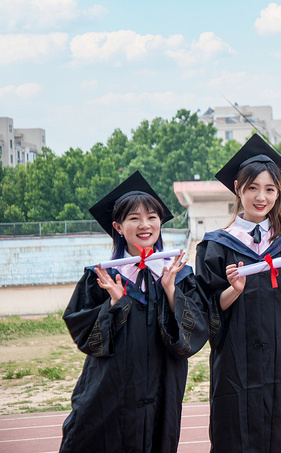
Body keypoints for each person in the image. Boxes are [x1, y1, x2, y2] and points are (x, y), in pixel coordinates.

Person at [195, 134, 281, 453]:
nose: (261, 196)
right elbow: (204, 310)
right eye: (252, 188)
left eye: (270, 189)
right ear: (238, 189)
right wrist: (233, 290)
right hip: (235, 366)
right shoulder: (217, 246)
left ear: (279, 192)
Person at [60, 171, 209, 453]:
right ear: (118, 226)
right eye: (134, 218)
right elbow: (87, 339)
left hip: (162, 388)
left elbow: (194, 335)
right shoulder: (102, 276)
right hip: (110, 389)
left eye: (152, 217)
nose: (145, 225)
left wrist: (170, 291)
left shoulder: (178, 275)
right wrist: (115, 304)